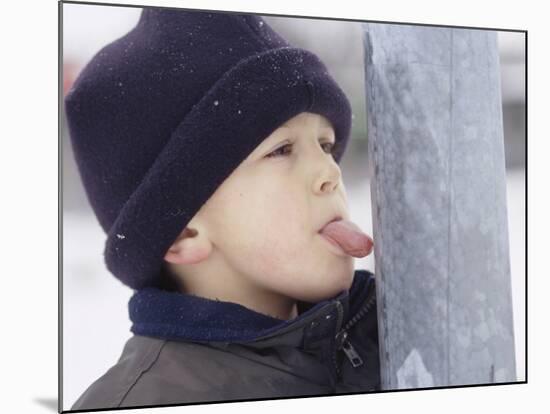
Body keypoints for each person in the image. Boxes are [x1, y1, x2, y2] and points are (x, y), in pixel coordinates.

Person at [65, 6, 380, 411]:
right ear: (184, 231)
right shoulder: (147, 401)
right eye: (281, 150)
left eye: (324, 144)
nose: (329, 172)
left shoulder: (398, 337)